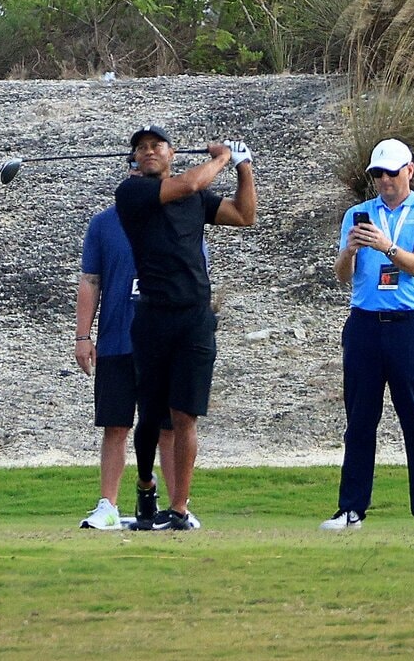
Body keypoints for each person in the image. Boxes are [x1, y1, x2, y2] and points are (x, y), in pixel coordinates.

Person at [114, 124, 256, 531]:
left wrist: (244, 167)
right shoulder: (133, 193)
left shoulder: (195, 198)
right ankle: (145, 485)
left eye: (156, 145)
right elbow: (190, 183)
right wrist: (223, 157)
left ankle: (178, 509)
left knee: (185, 415)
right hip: (153, 316)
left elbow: (244, 215)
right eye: (140, 148)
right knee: (151, 416)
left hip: (194, 317)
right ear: (135, 160)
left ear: (171, 152)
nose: (148, 151)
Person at [322, 138, 414, 532]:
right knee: (359, 419)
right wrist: (350, 251)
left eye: (392, 172)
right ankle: (351, 509)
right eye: (378, 174)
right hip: (364, 324)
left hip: (409, 324)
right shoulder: (358, 214)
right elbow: (343, 276)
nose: (385, 180)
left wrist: (386, 245)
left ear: (409, 170)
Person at [74, 197, 178, 531]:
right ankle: (108, 506)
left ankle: (178, 509)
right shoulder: (104, 223)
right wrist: (82, 336)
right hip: (117, 340)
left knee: (168, 427)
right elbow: (91, 280)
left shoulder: (179, 218)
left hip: (163, 341)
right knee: (116, 426)